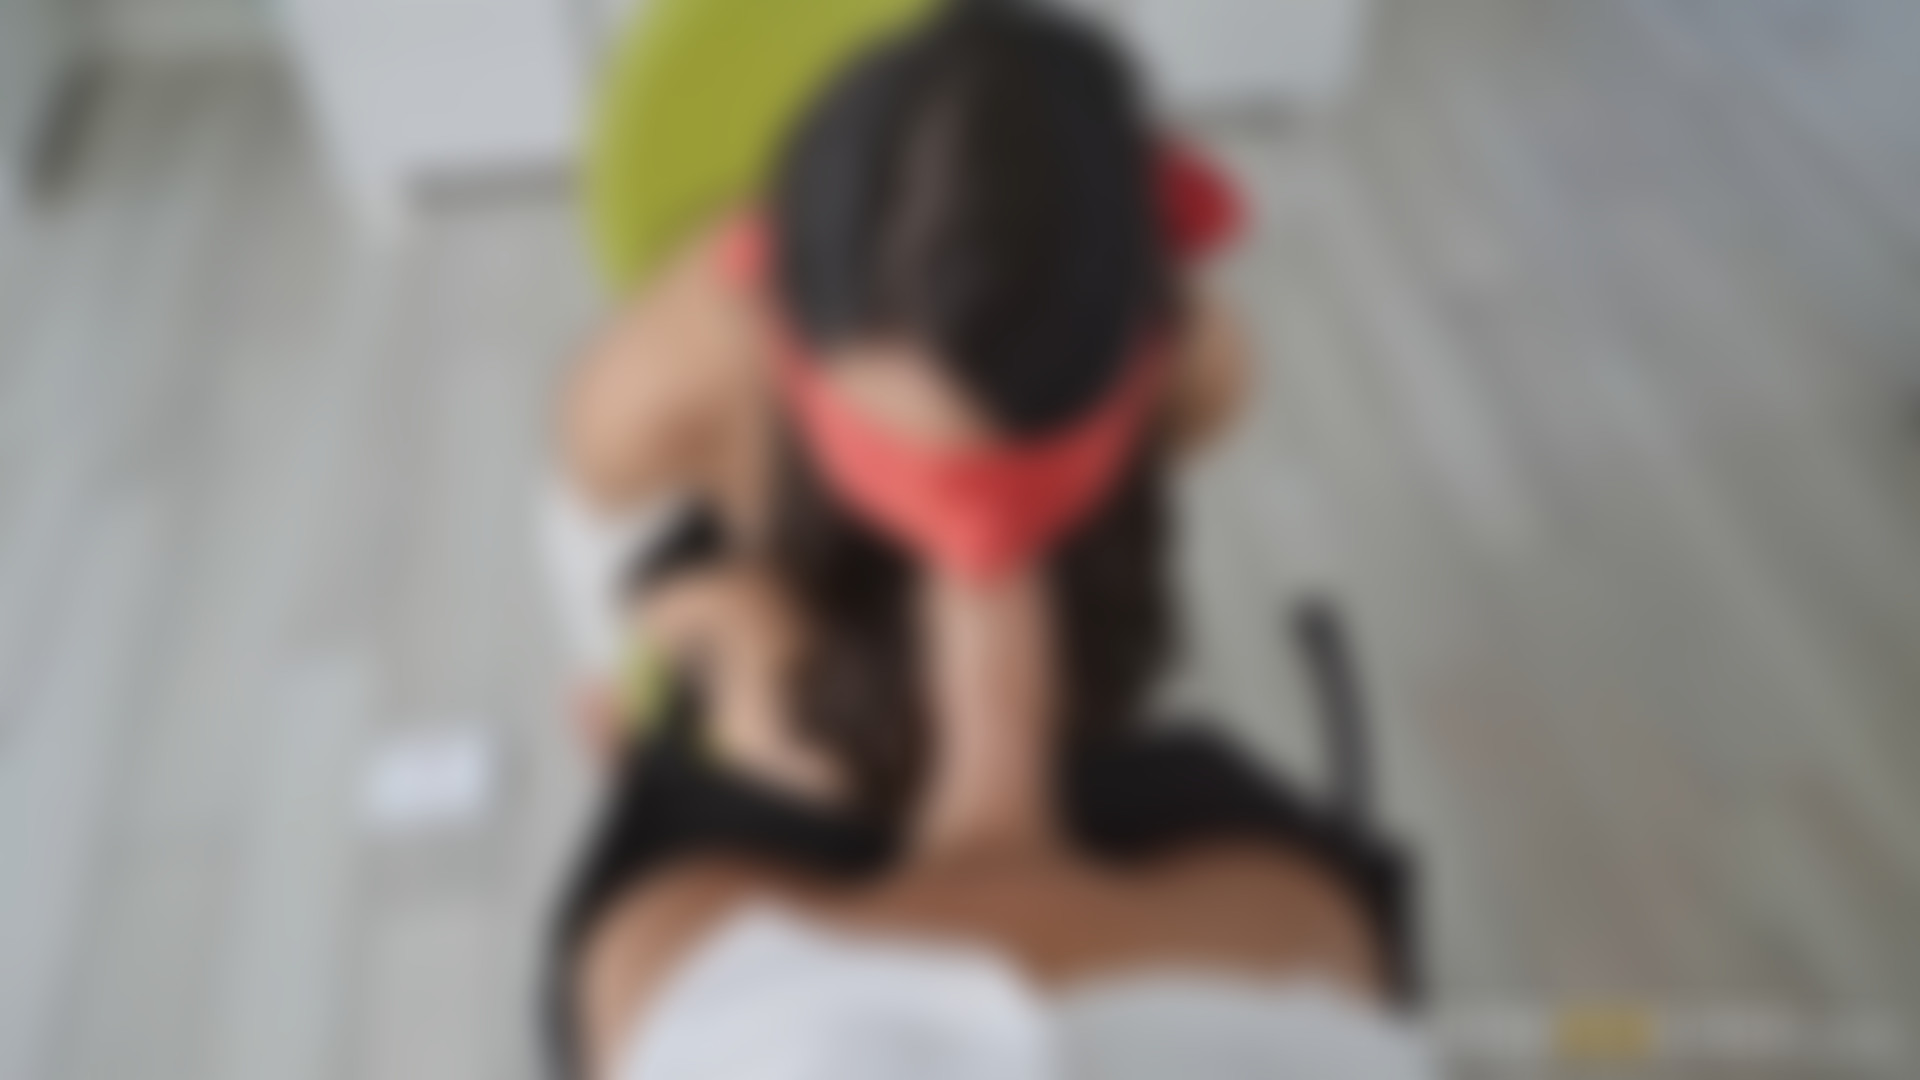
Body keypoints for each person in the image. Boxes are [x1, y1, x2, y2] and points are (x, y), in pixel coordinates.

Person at [544, 5, 1428, 1078]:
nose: (970, 539)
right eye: (914, 468)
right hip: (827, 616)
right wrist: (696, 634)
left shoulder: (1198, 363)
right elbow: (600, 537)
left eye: (1014, 466)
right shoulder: (670, 377)